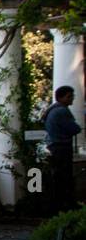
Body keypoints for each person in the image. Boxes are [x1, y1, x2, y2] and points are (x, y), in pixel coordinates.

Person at [43, 85, 81, 213]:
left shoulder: (52, 110)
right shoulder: (62, 111)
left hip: (54, 146)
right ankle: (65, 205)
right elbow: (75, 128)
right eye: (69, 96)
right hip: (62, 147)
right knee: (64, 177)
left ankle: (59, 205)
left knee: (59, 177)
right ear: (61, 97)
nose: (72, 99)